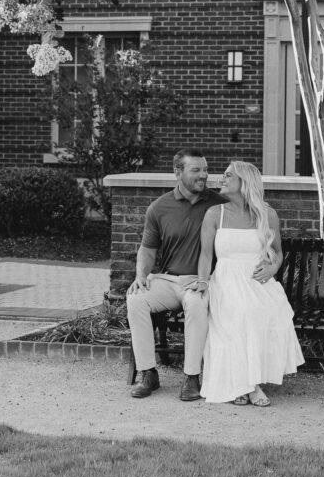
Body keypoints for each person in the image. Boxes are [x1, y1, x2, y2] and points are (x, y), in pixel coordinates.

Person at [194, 160, 305, 406]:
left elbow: (277, 252)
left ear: (244, 182)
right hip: (225, 281)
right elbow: (205, 256)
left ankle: (246, 384)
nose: (221, 179)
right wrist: (203, 281)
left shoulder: (268, 215)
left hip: (257, 281)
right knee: (241, 312)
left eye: (228, 175)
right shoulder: (215, 214)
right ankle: (251, 386)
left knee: (261, 311)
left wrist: (272, 267)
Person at [126, 148, 228, 401]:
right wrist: (141, 275)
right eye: (196, 170)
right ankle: (148, 373)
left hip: (203, 281)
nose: (203, 175)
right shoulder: (159, 208)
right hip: (169, 280)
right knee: (136, 299)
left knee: (195, 303)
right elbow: (148, 250)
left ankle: (192, 377)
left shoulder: (220, 205)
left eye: (205, 169)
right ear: (178, 172)